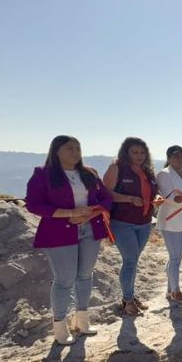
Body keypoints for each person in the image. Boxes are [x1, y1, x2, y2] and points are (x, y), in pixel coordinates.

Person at [25, 135, 113, 345]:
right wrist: (69, 213)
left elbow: (106, 198)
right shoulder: (43, 174)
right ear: (56, 151)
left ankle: (82, 320)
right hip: (59, 232)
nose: (75, 152)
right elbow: (34, 204)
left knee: (85, 275)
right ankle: (59, 326)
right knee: (64, 279)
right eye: (69, 148)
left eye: (78, 148)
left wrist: (91, 213)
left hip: (90, 229)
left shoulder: (89, 173)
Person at [103, 137, 159, 316]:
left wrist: (157, 200)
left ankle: (130, 296)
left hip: (144, 223)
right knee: (129, 261)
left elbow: (153, 194)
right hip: (123, 223)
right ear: (126, 152)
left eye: (142, 152)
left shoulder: (147, 171)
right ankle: (127, 300)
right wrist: (128, 199)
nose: (139, 156)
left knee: (133, 262)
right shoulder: (116, 168)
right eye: (135, 152)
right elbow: (105, 194)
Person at [157, 145, 182, 305]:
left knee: (176, 256)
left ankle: (170, 289)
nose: (181, 159)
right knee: (175, 257)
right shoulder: (164, 174)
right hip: (172, 219)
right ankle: (176, 291)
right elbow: (171, 197)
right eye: (176, 156)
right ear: (169, 158)